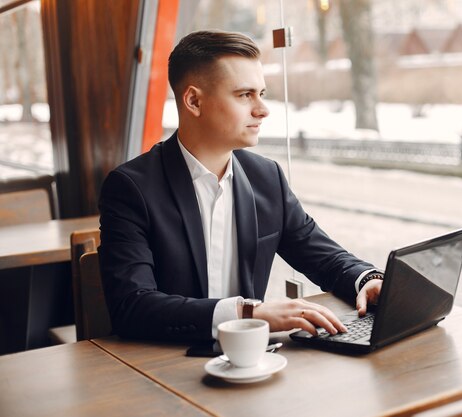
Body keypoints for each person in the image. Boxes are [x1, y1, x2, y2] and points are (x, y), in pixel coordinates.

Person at [98, 30, 383, 343]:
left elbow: (324, 257)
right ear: (193, 101)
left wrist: (365, 279)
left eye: (261, 93)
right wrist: (249, 314)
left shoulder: (267, 178)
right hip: (162, 365)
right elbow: (132, 307)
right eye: (245, 95)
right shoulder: (130, 188)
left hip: (251, 362)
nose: (262, 109)